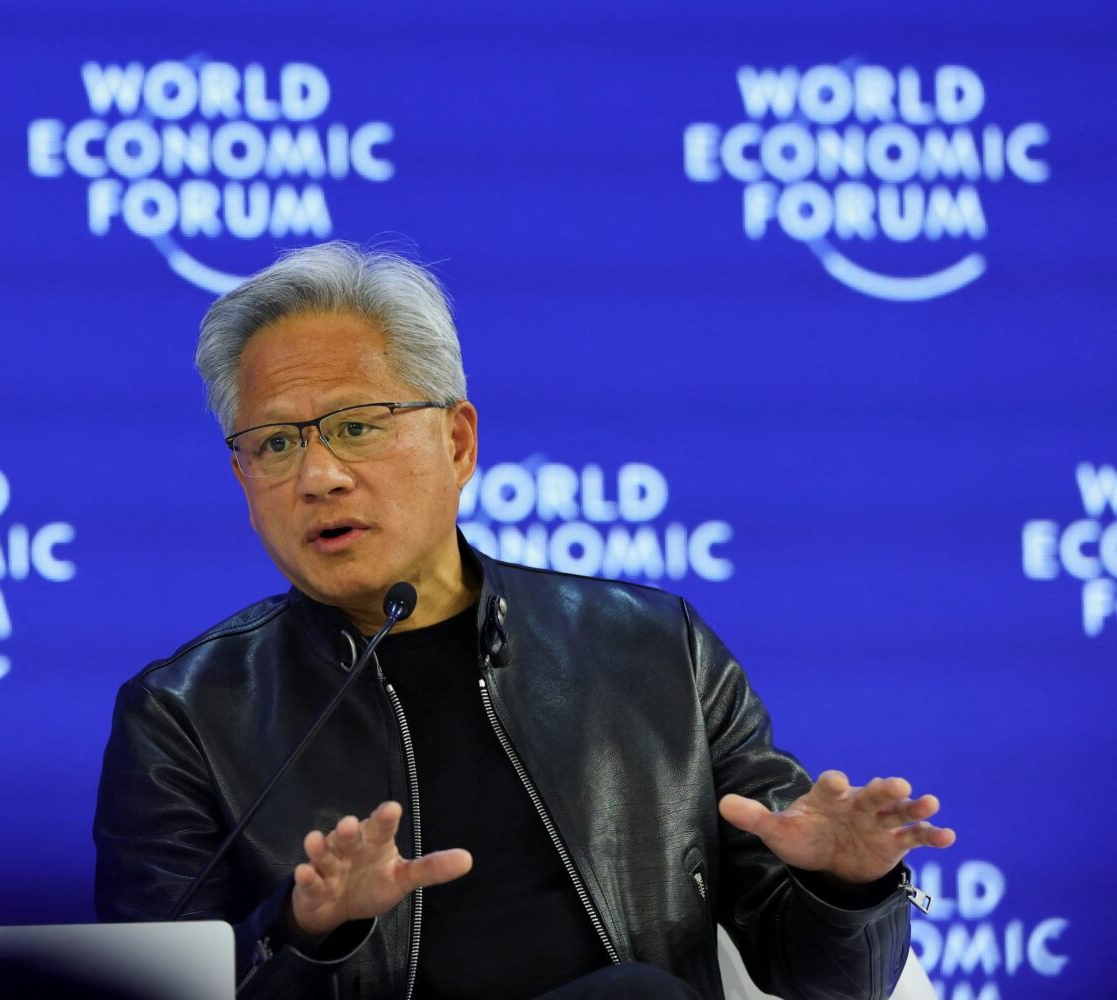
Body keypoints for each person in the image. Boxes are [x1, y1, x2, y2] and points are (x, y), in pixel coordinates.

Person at [92, 242, 954, 1000]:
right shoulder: (185, 716)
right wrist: (307, 931)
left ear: (458, 443)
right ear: (243, 481)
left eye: (357, 426)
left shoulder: (656, 652)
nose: (318, 476)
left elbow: (830, 984)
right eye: (276, 443)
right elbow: (155, 984)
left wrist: (846, 889)